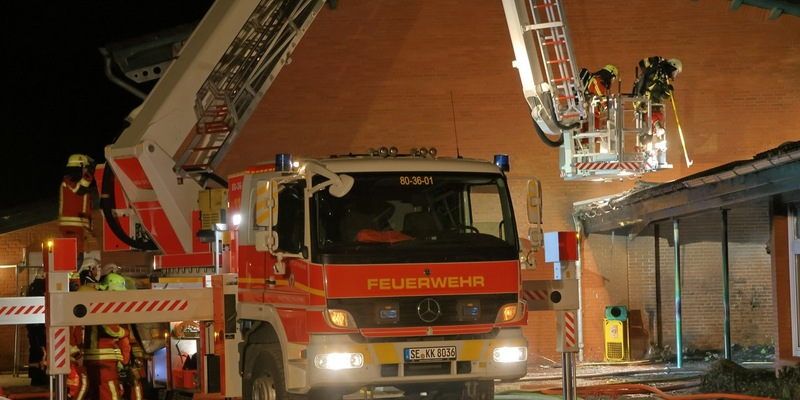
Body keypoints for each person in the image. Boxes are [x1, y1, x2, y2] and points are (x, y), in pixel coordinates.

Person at [83, 273, 128, 400]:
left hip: (97, 358)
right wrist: (126, 332)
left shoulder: (97, 303)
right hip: (103, 360)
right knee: (110, 392)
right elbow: (112, 330)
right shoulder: (104, 305)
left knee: (97, 393)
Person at [632, 56, 682, 167]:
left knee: (652, 126)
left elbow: (663, 95)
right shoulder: (655, 72)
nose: (674, 75)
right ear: (671, 67)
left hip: (652, 104)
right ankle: (650, 148)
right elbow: (651, 86)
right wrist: (663, 86)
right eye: (674, 72)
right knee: (652, 121)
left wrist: (668, 91)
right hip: (644, 103)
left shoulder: (662, 77)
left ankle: (652, 152)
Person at [59, 154, 96, 268]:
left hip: (78, 226)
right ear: (80, 166)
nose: (87, 170)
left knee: (78, 254)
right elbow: (79, 189)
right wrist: (88, 174)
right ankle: (71, 277)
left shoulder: (77, 181)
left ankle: (73, 277)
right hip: (71, 226)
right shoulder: (69, 180)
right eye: (86, 167)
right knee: (75, 255)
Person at [25, 275, 48, 387]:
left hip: (33, 329)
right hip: (39, 329)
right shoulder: (40, 288)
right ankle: (40, 377)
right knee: (41, 354)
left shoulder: (32, 288)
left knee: (34, 352)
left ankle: (35, 377)